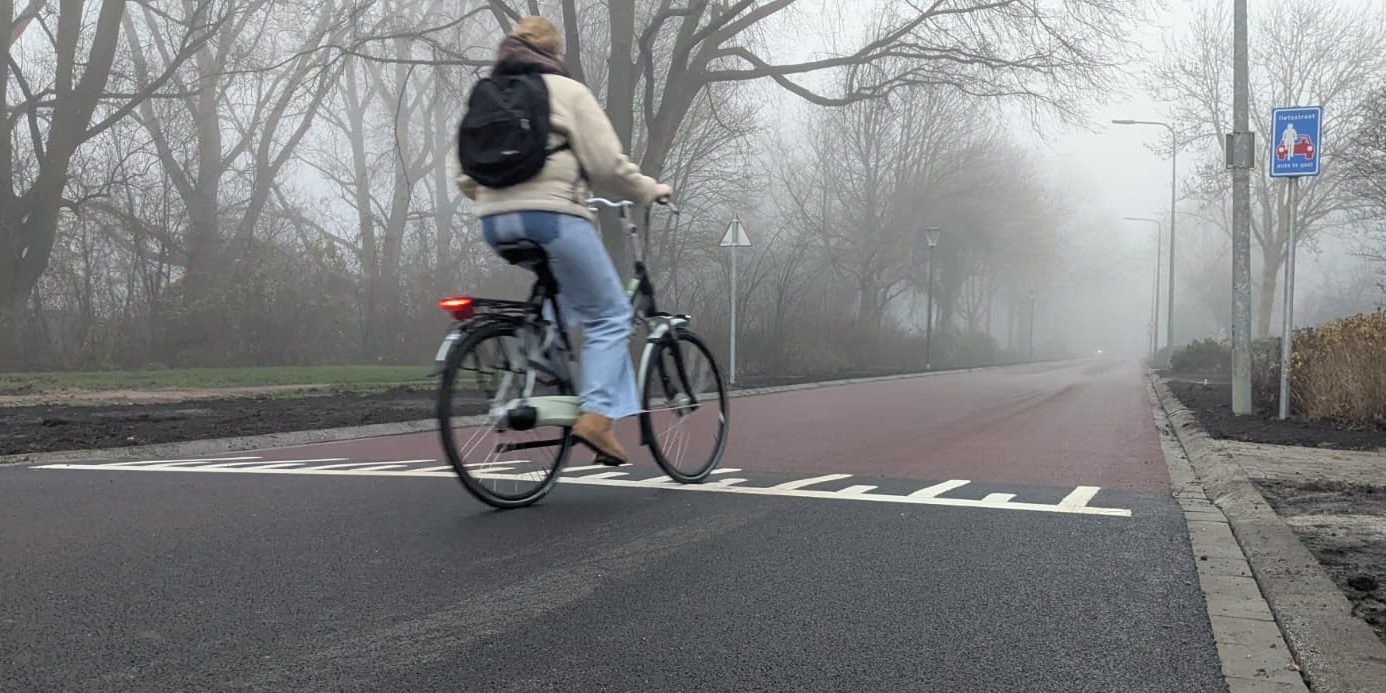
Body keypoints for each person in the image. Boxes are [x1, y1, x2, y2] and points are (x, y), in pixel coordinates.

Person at [454, 16, 671, 465]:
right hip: (552, 220)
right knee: (611, 315)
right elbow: (608, 165)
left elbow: (463, 174)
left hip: (494, 223)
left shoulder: (485, 94)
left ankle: (543, 366)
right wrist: (649, 190)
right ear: (554, 54)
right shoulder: (567, 92)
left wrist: (501, 197)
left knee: (563, 299)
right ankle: (596, 417)